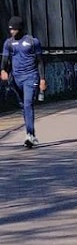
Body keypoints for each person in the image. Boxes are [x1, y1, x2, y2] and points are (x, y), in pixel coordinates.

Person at [1, 15, 46, 148]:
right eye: (10, 30)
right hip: (16, 79)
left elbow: (40, 61)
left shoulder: (33, 42)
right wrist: (3, 70)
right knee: (22, 105)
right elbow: (4, 60)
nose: (11, 32)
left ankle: (30, 134)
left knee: (28, 103)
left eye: (14, 29)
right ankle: (30, 132)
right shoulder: (8, 43)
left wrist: (42, 78)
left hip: (30, 77)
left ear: (20, 29)